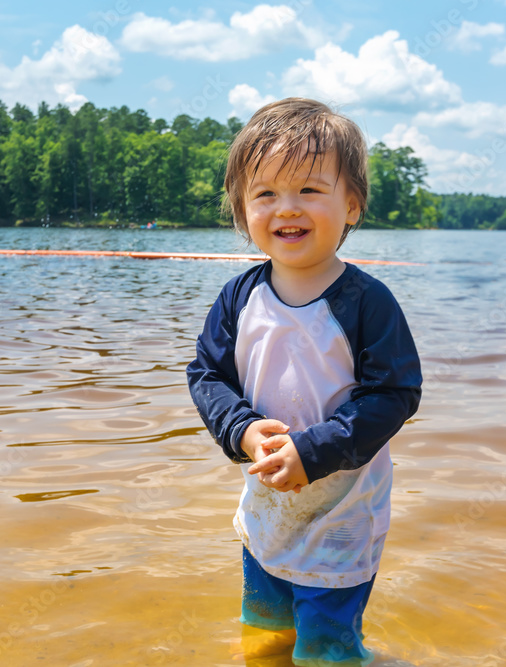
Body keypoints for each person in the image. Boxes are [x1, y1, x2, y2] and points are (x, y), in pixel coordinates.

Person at [185, 98, 423, 666]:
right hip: (267, 516)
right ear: (243, 211)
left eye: (310, 190)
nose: (286, 207)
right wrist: (241, 430)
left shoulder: (366, 303)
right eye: (265, 193)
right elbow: (207, 375)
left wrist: (312, 452)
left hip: (343, 519)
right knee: (263, 637)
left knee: (325, 655)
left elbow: (395, 395)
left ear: (352, 206)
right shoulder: (239, 298)